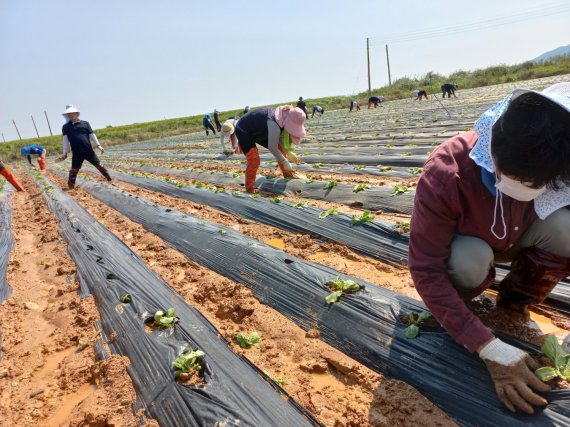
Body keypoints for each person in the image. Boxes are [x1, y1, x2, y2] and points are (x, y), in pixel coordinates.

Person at [409, 83, 570, 415]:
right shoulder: (447, 172)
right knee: (469, 262)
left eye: (536, 184)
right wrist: (487, 347)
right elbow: (426, 270)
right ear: (493, 149)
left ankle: (514, 305)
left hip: (521, 235)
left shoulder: (560, 162)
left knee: (566, 231)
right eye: (513, 176)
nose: (523, 188)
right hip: (471, 243)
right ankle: (469, 306)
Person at [234, 106, 306, 193]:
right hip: (243, 129)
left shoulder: (284, 117)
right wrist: (285, 162)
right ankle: (249, 189)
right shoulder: (274, 123)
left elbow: (280, 140)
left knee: (281, 151)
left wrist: (288, 152)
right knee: (254, 160)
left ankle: (288, 175)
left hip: (260, 128)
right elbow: (273, 148)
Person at [61, 105, 112, 189]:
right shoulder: (66, 127)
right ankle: (71, 186)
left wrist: (98, 145)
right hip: (76, 152)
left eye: (72, 114)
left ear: (77, 114)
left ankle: (109, 179)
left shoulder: (85, 123)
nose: (71, 115)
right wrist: (64, 152)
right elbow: (65, 140)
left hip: (88, 150)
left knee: (99, 165)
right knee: (74, 169)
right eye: (69, 114)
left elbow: (92, 135)